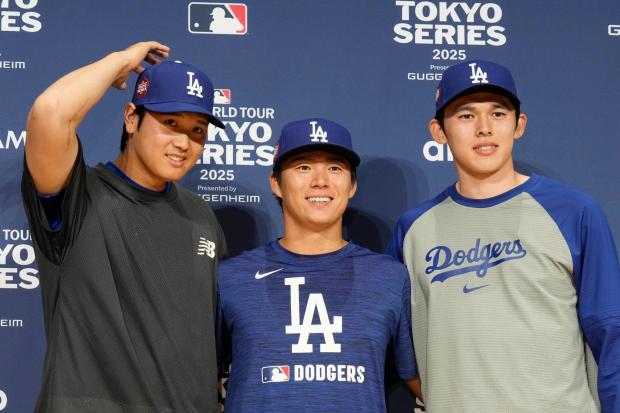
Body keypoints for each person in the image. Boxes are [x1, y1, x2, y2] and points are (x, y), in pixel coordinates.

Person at [386, 59, 620, 412]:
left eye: (498, 113)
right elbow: (400, 349)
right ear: (438, 131)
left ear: (518, 125)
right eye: (466, 115)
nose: (484, 128)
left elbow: (611, 332)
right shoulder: (413, 229)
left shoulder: (574, 212)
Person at [21, 41, 227, 413]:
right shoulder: (77, 194)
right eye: (170, 123)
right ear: (132, 118)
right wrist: (118, 61)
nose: (184, 142)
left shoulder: (202, 217)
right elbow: (50, 112)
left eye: (197, 130)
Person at [217, 118, 421, 412]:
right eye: (303, 167)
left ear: (352, 186)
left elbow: (419, 379)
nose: (320, 181)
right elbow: (193, 376)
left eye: (335, 168)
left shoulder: (390, 277)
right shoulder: (231, 279)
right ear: (275, 182)